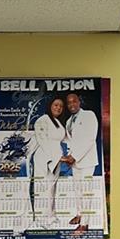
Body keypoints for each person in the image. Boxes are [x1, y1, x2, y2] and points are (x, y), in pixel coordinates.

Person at [61, 91, 99, 233]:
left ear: (79, 102)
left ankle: (84, 224)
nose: (71, 104)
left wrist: (74, 156)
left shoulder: (89, 115)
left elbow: (90, 139)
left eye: (74, 101)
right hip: (75, 162)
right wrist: (69, 156)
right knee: (77, 190)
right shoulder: (68, 121)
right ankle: (79, 214)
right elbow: (71, 141)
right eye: (69, 102)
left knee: (86, 191)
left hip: (87, 161)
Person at [30, 95, 66, 226]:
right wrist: (55, 157)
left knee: (52, 189)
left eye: (61, 106)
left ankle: (51, 216)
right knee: (43, 188)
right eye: (56, 105)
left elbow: (64, 139)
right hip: (44, 157)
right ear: (50, 106)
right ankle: (41, 219)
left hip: (57, 158)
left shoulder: (58, 122)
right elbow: (42, 141)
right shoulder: (42, 120)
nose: (58, 108)